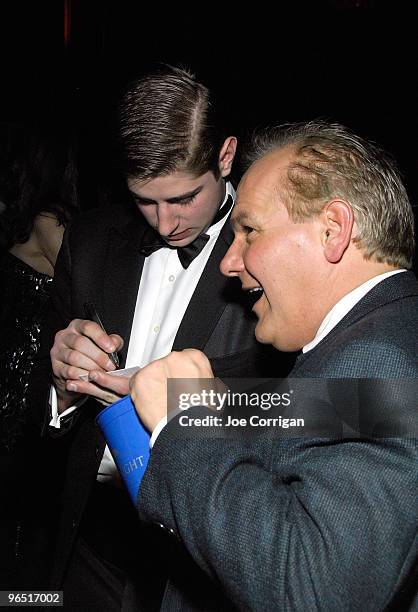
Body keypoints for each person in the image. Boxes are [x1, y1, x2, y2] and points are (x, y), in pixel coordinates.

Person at [129, 121, 418, 610]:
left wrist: (187, 426)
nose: (228, 261)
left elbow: (313, 591)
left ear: (333, 230)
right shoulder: (379, 335)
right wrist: (226, 410)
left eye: (249, 232)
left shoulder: (377, 358)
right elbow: (319, 431)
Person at [29, 65, 287, 609]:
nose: (165, 223)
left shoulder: (277, 256)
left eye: (183, 198)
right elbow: (31, 413)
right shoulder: (92, 239)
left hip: (203, 559)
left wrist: (194, 404)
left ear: (224, 156)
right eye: (146, 201)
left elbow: (321, 411)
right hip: (89, 543)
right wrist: (61, 384)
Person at [0, 127, 79, 588]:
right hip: (24, 371)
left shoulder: (36, 218)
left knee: (19, 505)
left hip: (21, 368)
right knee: (21, 510)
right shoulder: (50, 220)